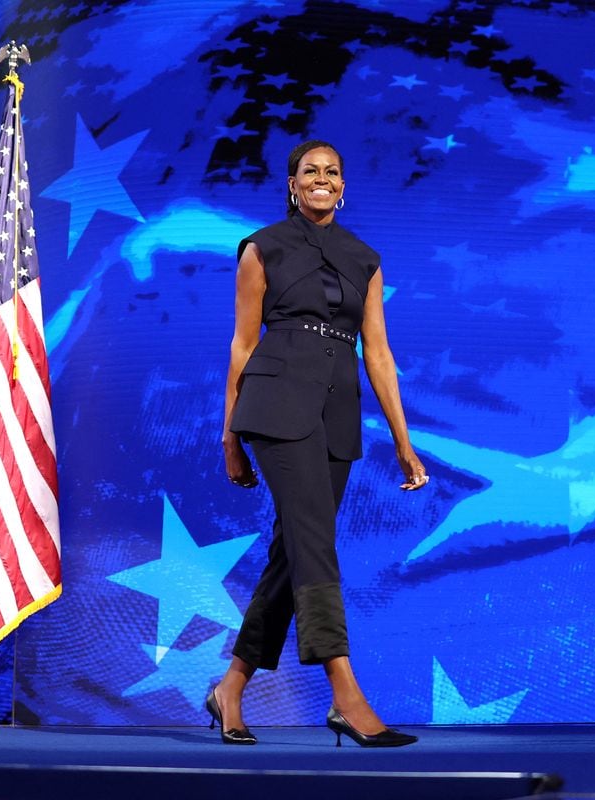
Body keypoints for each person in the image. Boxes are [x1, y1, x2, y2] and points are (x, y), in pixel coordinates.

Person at [209, 140, 428, 747]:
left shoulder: (365, 259)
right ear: (292, 183)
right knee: (314, 540)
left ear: (343, 186)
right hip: (275, 405)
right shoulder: (262, 248)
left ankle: (231, 685)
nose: (322, 179)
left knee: (294, 550)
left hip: (336, 414)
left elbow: (378, 355)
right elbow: (242, 346)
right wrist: (229, 434)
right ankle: (345, 694)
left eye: (333, 171)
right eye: (311, 171)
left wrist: (404, 444)